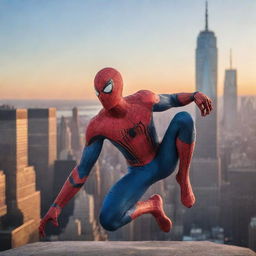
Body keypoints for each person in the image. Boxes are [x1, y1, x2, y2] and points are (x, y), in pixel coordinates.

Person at [39, 67, 213, 236]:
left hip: (163, 160)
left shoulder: (143, 99)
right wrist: (56, 206)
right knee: (108, 220)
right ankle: (152, 205)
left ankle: (183, 177)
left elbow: (173, 99)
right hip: (138, 173)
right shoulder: (98, 126)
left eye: (107, 89)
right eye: (97, 91)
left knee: (184, 119)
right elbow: (82, 171)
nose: (102, 96)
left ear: (118, 86)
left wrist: (194, 95)